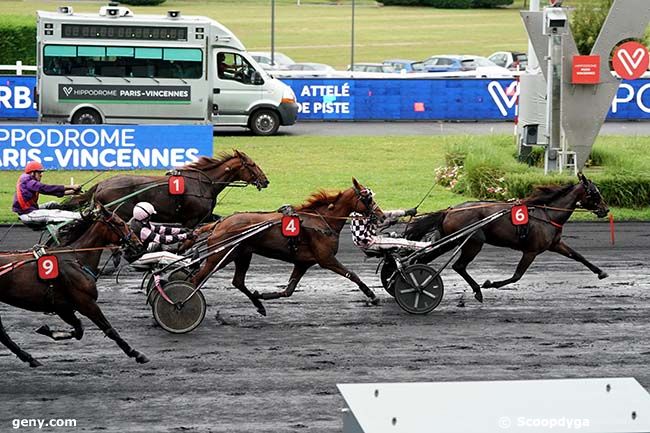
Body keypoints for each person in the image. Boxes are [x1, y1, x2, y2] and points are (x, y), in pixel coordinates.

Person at [350, 198, 432, 253]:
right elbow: (359, 237)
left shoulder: (365, 213)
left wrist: (406, 213)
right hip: (371, 243)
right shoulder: (358, 216)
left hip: (372, 240)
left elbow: (386, 215)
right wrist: (379, 238)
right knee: (402, 242)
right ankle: (426, 247)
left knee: (397, 236)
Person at [13, 160, 82, 225]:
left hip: (31, 209)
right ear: (32, 173)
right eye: (39, 172)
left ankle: (72, 212)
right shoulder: (27, 180)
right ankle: (79, 216)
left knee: (52, 204)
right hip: (28, 214)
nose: (41, 175)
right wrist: (71, 186)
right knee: (55, 213)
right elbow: (45, 188)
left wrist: (71, 192)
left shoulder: (29, 181)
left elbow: (50, 192)